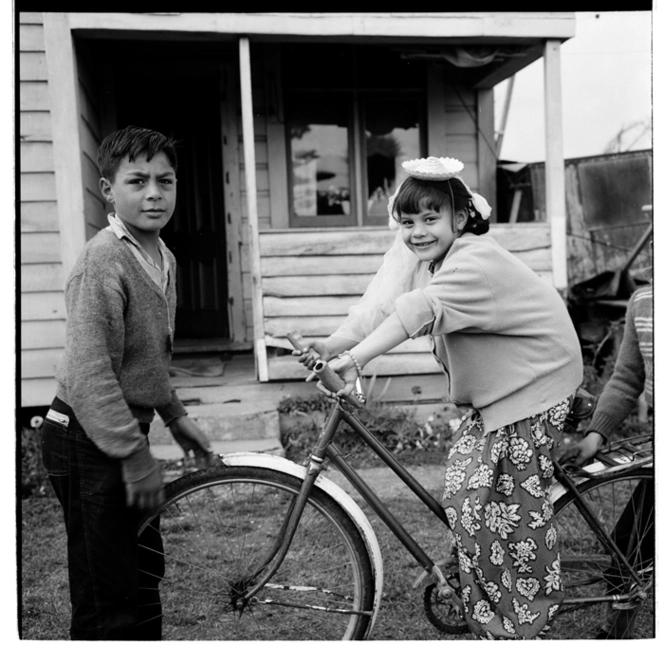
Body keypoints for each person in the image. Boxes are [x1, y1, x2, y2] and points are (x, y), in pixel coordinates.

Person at [297, 156, 584, 639]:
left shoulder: (475, 259)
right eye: (407, 222)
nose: (416, 232)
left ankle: (523, 617)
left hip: (537, 387)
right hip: (504, 393)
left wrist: (355, 361)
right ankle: (485, 590)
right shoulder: (438, 260)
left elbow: (419, 309)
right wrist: (333, 344)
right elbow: (385, 306)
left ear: (460, 218)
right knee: (465, 493)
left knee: (497, 506)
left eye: (430, 219)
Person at [40, 125, 213, 640]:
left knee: (141, 576)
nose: (155, 193)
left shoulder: (163, 257)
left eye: (166, 180)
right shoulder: (103, 260)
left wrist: (176, 418)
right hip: (84, 437)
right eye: (138, 181)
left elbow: (147, 360)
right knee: (106, 593)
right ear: (108, 190)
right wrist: (135, 456)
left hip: (118, 434)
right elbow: (92, 373)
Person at [561, 281, 653, 639]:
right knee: (628, 549)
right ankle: (616, 633)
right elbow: (628, 378)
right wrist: (596, 433)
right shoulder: (644, 301)